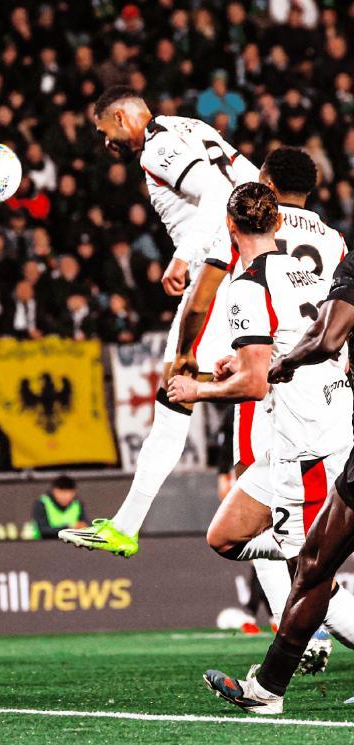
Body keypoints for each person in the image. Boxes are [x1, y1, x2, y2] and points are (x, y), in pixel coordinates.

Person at [164, 184, 354, 714]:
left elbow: (252, 385)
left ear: (231, 227)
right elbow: (302, 344)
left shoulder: (245, 286)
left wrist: (197, 389)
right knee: (226, 536)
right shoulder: (309, 271)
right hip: (307, 432)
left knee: (311, 575)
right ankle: (300, 552)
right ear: (278, 223)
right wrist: (252, 364)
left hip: (310, 443)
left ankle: (267, 691)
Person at [58, 84, 258, 558]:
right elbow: (251, 182)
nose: (106, 144)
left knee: (177, 389)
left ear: (122, 119)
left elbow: (217, 193)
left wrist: (184, 255)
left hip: (219, 271)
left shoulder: (156, 148)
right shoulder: (192, 126)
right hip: (252, 262)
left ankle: (127, 525)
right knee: (255, 394)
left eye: (105, 132)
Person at [32, 475, 88, 539]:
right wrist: (69, 528)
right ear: (53, 491)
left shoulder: (77, 504)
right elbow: (43, 530)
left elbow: (85, 525)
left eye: (67, 492)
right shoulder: (42, 503)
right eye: (61, 492)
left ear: (73, 493)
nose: (64, 496)